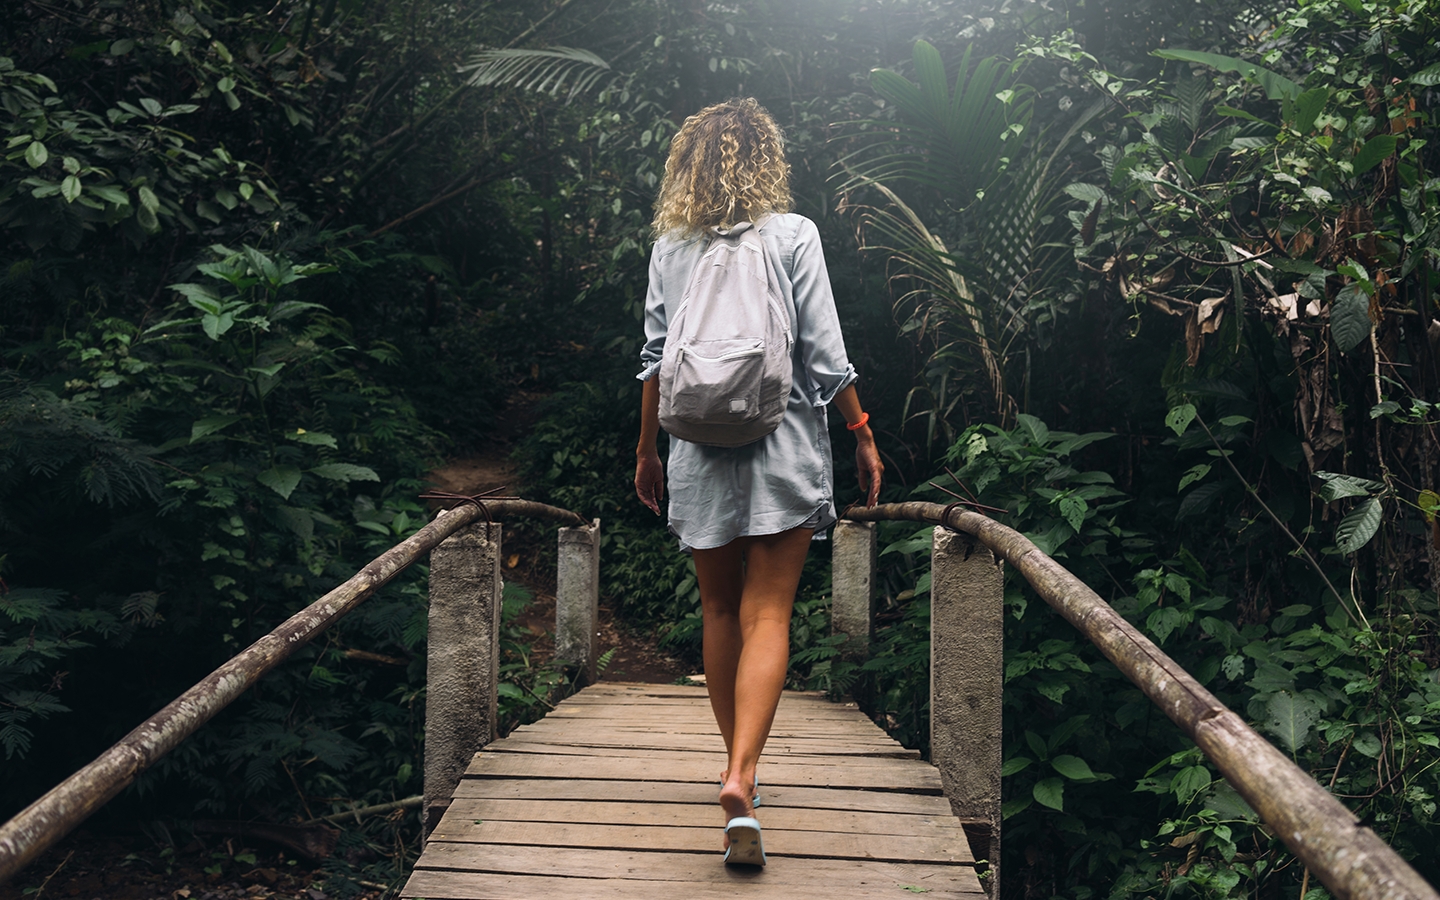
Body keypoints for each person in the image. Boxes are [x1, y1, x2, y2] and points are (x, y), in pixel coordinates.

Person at [633, 97, 883, 866]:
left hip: (696, 447)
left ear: (690, 164)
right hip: (782, 438)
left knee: (718, 607)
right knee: (767, 613)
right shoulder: (794, 234)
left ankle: (735, 769)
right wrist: (861, 431)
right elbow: (823, 348)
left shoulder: (673, 244)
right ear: (766, 158)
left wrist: (646, 451)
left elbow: (652, 358)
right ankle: (744, 773)